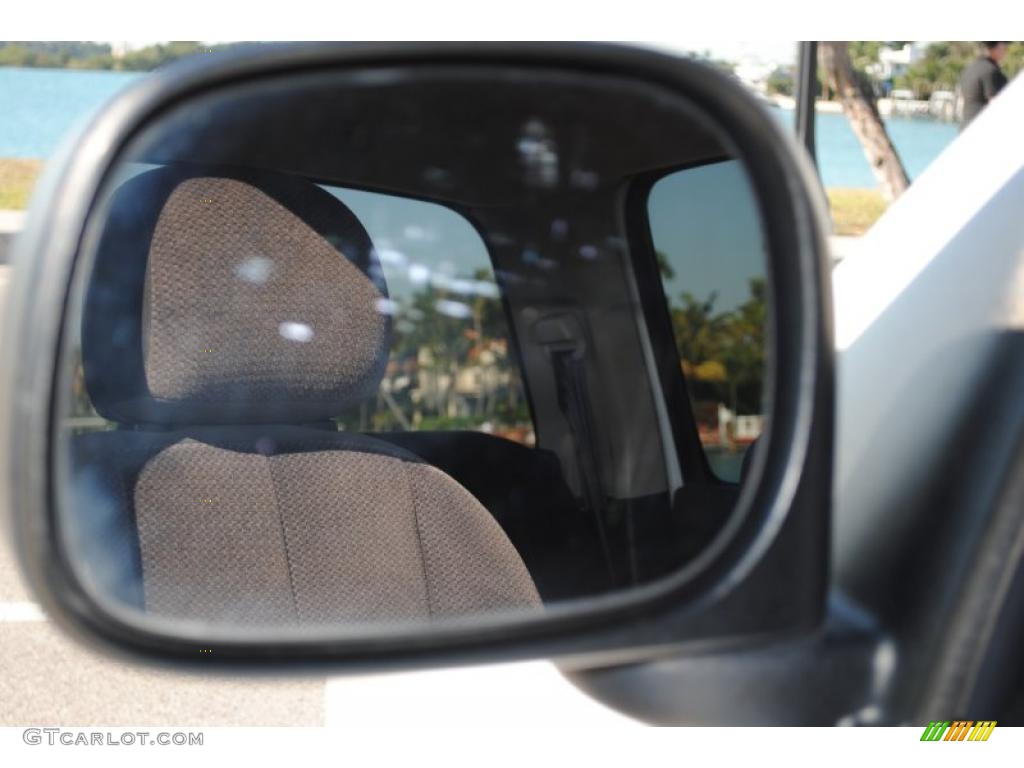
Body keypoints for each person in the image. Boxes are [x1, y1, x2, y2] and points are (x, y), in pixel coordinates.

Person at [959, 42, 1009, 129]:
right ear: (998, 46)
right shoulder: (991, 70)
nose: (1005, 48)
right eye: (1004, 45)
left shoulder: (969, 69)